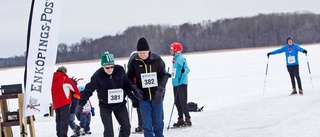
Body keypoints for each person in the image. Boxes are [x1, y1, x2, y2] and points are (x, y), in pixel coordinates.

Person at [75, 51, 138, 137]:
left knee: (126, 127)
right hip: (105, 106)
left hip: (120, 104)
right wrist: (80, 105)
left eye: (112, 67)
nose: (110, 69)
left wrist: (132, 97)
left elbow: (126, 85)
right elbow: (88, 90)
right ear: (103, 66)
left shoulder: (120, 70)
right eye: (107, 67)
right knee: (109, 131)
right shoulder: (98, 76)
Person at [127, 37, 169, 137]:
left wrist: (160, 90)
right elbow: (128, 78)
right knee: (146, 125)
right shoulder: (134, 61)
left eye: (144, 53)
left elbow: (164, 75)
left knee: (158, 123)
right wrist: (135, 90)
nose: (142, 55)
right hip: (143, 98)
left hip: (157, 97)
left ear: (149, 51)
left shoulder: (157, 59)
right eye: (140, 53)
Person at [51, 66, 81, 137]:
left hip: (56, 103)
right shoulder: (65, 78)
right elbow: (75, 89)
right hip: (65, 103)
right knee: (64, 120)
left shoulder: (52, 79)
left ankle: (59, 134)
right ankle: (63, 135)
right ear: (64, 72)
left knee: (58, 119)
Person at [169, 42, 192, 127]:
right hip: (175, 83)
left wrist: (184, 71)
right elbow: (175, 71)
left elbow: (187, 69)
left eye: (171, 49)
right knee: (177, 102)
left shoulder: (181, 58)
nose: (170, 51)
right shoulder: (175, 59)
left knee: (182, 102)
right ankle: (180, 119)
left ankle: (187, 118)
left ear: (176, 50)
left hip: (181, 83)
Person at [127, 51, 143, 132]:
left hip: (137, 88)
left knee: (139, 107)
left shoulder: (131, 63)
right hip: (141, 88)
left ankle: (141, 125)